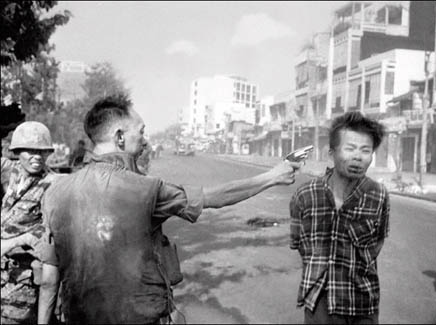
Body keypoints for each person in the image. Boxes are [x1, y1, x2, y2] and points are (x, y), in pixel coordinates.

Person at [37, 94, 303, 324]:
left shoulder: (55, 193)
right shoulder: (145, 189)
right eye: (140, 132)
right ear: (119, 137)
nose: (144, 140)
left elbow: (49, 278)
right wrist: (273, 176)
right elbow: (217, 196)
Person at [289, 111, 389, 324]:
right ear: (331, 153)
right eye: (350, 148)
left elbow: (378, 243)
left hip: (362, 304)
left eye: (366, 150)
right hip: (318, 303)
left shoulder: (378, 194)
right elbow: (299, 244)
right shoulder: (305, 195)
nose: (358, 157)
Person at [1, 121, 59, 324]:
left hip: (23, 276)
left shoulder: (53, 184)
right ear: (17, 151)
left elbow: (49, 232)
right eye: (29, 151)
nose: (36, 157)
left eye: (42, 152)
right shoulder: (11, 172)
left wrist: (17, 240)